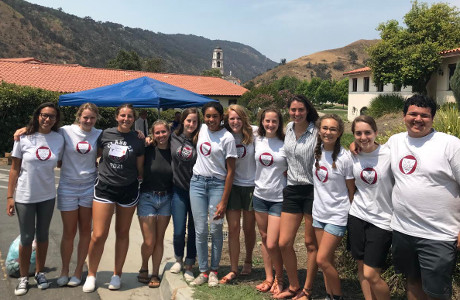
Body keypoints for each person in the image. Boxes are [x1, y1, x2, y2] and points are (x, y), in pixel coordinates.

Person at [13, 103, 102, 288]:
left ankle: (78, 272)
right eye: (85, 117)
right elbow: (43, 132)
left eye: (92, 118)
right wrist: (24, 130)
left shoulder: (99, 134)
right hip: (67, 187)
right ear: (78, 116)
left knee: (85, 231)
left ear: (96, 119)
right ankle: (64, 272)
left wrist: (143, 136)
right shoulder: (64, 132)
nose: (88, 121)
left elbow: (114, 142)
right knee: (68, 232)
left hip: (88, 187)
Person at [386, 95, 460, 300]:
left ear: (432, 118)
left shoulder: (450, 145)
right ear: (404, 116)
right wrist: (359, 146)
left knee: (437, 292)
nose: (418, 119)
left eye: (424, 115)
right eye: (413, 114)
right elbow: (374, 159)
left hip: (439, 235)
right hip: (403, 230)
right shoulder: (395, 141)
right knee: (412, 282)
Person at [82, 103, 145, 293]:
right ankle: (92, 274)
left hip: (128, 189)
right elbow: (97, 155)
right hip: (105, 189)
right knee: (99, 234)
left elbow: (140, 168)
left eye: (130, 116)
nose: (126, 119)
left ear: (134, 119)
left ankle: (117, 274)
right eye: (123, 116)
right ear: (117, 117)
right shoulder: (104, 135)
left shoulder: (138, 139)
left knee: (122, 233)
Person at [7, 102, 64, 296]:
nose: (47, 119)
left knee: (43, 236)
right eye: (44, 115)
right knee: (26, 237)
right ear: (37, 115)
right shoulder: (23, 137)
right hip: (24, 196)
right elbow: (14, 169)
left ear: (56, 120)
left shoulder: (59, 138)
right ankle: (24, 277)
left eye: (52, 116)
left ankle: (39, 273)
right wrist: (9, 196)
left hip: (47, 195)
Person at [189, 102, 237, 287]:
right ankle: (203, 272)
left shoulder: (227, 138)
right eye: (208, 116)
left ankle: (215, 270)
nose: (211, 120)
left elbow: (231, 171)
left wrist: (224, 201)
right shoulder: (200, 129)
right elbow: (178, 131)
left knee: (216, 229)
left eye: (214, 116)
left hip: (217, 185)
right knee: (200, 230)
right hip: (197, 184)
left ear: (221, 117)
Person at [276, 95, 319, 300]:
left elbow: (335, 147)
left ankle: (307, 290)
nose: (297, 113)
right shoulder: (288, 131)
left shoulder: (317, 131)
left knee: (311, 244)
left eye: (300, 110)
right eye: (293, 110)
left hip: (313, 191)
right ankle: (294, 285)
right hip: (292, 190)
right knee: (284, 242)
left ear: (307, 110)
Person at [348, 115, 393, 300]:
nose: (363, 137)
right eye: (358, 133)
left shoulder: (389, 154)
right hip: (357, 215)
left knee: (371, 273)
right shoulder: (352, 155)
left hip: (382, 220)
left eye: (367, 132)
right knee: (361, 266)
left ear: (376, 132)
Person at [312, 114, 354, 300]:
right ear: (319, 130)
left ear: (339, 133)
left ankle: (337, 297)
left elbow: (351, 191)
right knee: (327, 260)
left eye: (333, 129)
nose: (328, 132)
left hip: (337, 215)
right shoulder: (316, 151)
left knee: (321, 259)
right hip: (318, 214)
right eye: (325, 128)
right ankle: (330, 295)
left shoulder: (345, 158)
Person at [219, 104, 257, 284]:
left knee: (249, 229)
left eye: (239, 118)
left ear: (244, 119)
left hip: (251, 187)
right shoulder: (224, 136)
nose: (235, 122)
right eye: (232, 119)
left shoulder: (254, 134)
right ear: (227, 120)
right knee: (233, 229)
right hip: (232, 187)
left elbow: (278, 133)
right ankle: (233, 268)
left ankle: (248, 260)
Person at [252, 107, 286, 296]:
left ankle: (280, 278)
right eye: (267, 121)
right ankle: (268, 277)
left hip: (278, 198)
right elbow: (235, 124)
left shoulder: (286, 142)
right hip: (259, 196)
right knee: (264, 239)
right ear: (262, 122)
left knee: (273, 242)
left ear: (279, 123)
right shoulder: (257, 139)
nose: (270, 124)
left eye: (274, 121)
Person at [137, 120, 173, 288]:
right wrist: (141, 138)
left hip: (167, 198)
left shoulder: (175, 150)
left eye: (163, 132)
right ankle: (144, 266)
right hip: (147, 197)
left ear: (169, 132)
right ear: (153, 134)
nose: (161, 136)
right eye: (157, 133)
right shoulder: (147, 149)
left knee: (159, 239)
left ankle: (154, 273)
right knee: (149, 240)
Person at [169, 108, 200, 282]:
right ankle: (178, 259)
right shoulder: (173, 137)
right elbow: (157, 138)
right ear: (183, 121)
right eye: (189, 120)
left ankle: (190, 264)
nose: (191, 124)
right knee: (179, 229)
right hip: (178, 190)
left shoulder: (201, 139)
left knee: (194, 230)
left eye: (195, 121)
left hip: (197, 191)